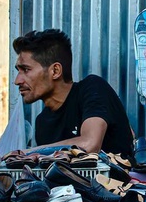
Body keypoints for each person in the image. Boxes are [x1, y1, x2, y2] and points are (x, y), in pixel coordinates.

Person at [13, 29, 133, 157]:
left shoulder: (92, 88)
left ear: (55, 71)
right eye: (18, 71)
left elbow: (90, 143)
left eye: (26, 70)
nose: (17, 81)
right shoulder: (42, 123)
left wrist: (26, 153)